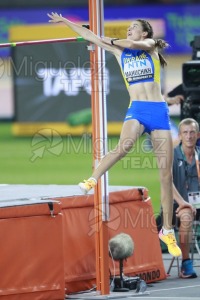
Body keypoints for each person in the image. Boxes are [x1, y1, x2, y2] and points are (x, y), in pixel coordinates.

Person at [48, 12, 182, 257]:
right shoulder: (119, 53)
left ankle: (167, 230)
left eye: (134, 27)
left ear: (145, 33)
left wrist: (109, 40)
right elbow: (89, 35)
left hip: (157, 111)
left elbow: (132, 43)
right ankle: (92, 179)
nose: (129, 30)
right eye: (129, 27)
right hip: (137, 110)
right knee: (123, 147)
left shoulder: (149, 46)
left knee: (165, 175)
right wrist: (67, 23)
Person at [172, 118, 200, 278]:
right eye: (185, 132)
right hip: (177, 206)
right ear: (180, 136)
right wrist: (183, 203)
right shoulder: (173, 155)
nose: (189, 136)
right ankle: (186, 263)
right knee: (187, 216)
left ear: (198, 135)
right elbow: (166, 183)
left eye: (192, 132)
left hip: (198, 204)